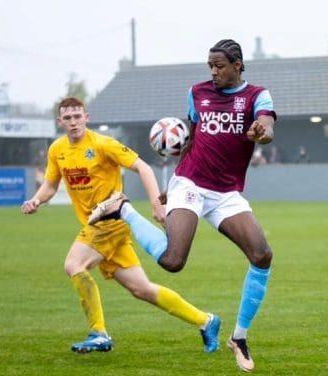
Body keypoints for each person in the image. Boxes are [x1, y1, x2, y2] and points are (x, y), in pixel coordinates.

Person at [88, 39, 275, 372]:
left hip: (226, 192)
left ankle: (240, 337)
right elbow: (191, 136)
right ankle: (124, 209)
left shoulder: (256, 96)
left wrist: (262, 131)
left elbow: (267, 126)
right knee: (174, 260)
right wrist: (172, 185)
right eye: (210, 66)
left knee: (262, 255)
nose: (214, 72)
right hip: (189, 182)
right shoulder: (197, 92)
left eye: (219, 66)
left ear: (237, 65)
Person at [20, 97, 220, 354]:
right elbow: (50, 185)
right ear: (60, 122)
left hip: (110, 220)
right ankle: (206, 321)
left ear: (86, 117)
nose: (73, 122)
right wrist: (36, 200)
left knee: (73, 264)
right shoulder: (57, 149)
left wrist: (157, 206)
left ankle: (98, 332)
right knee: (142, 289)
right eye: (67, 118)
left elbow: (143, 167)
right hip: (99, 226)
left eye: (77, 116)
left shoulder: (103, 144)